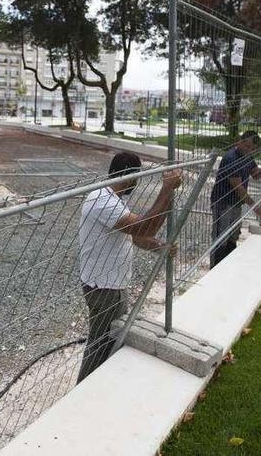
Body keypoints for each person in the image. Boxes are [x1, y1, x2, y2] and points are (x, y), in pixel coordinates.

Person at [76, 152, 181, 383]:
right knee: (100, 344)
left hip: (112, 285)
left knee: (111, 340)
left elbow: (135, 236)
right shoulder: (102, 200)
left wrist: (159, 247)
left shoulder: (113, 197)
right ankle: (84, 391)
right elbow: (145, 228)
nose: (138, 182)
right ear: (127, 174)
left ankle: (98, 384)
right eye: (137, 176)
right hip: (104, 288)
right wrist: (166, 190)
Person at [210, 131, 261, 268]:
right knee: (221, 238)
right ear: (239, 141)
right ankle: (215, 270)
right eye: (244, 144)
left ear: (254, 149)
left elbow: (255, 175)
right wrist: (256, 208)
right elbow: (239, 188)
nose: (246, 148)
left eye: (250, 147)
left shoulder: (248, 157)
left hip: (236, 202)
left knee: (233, 235)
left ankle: (229, 266)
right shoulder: (231, 158)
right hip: (223, 202)